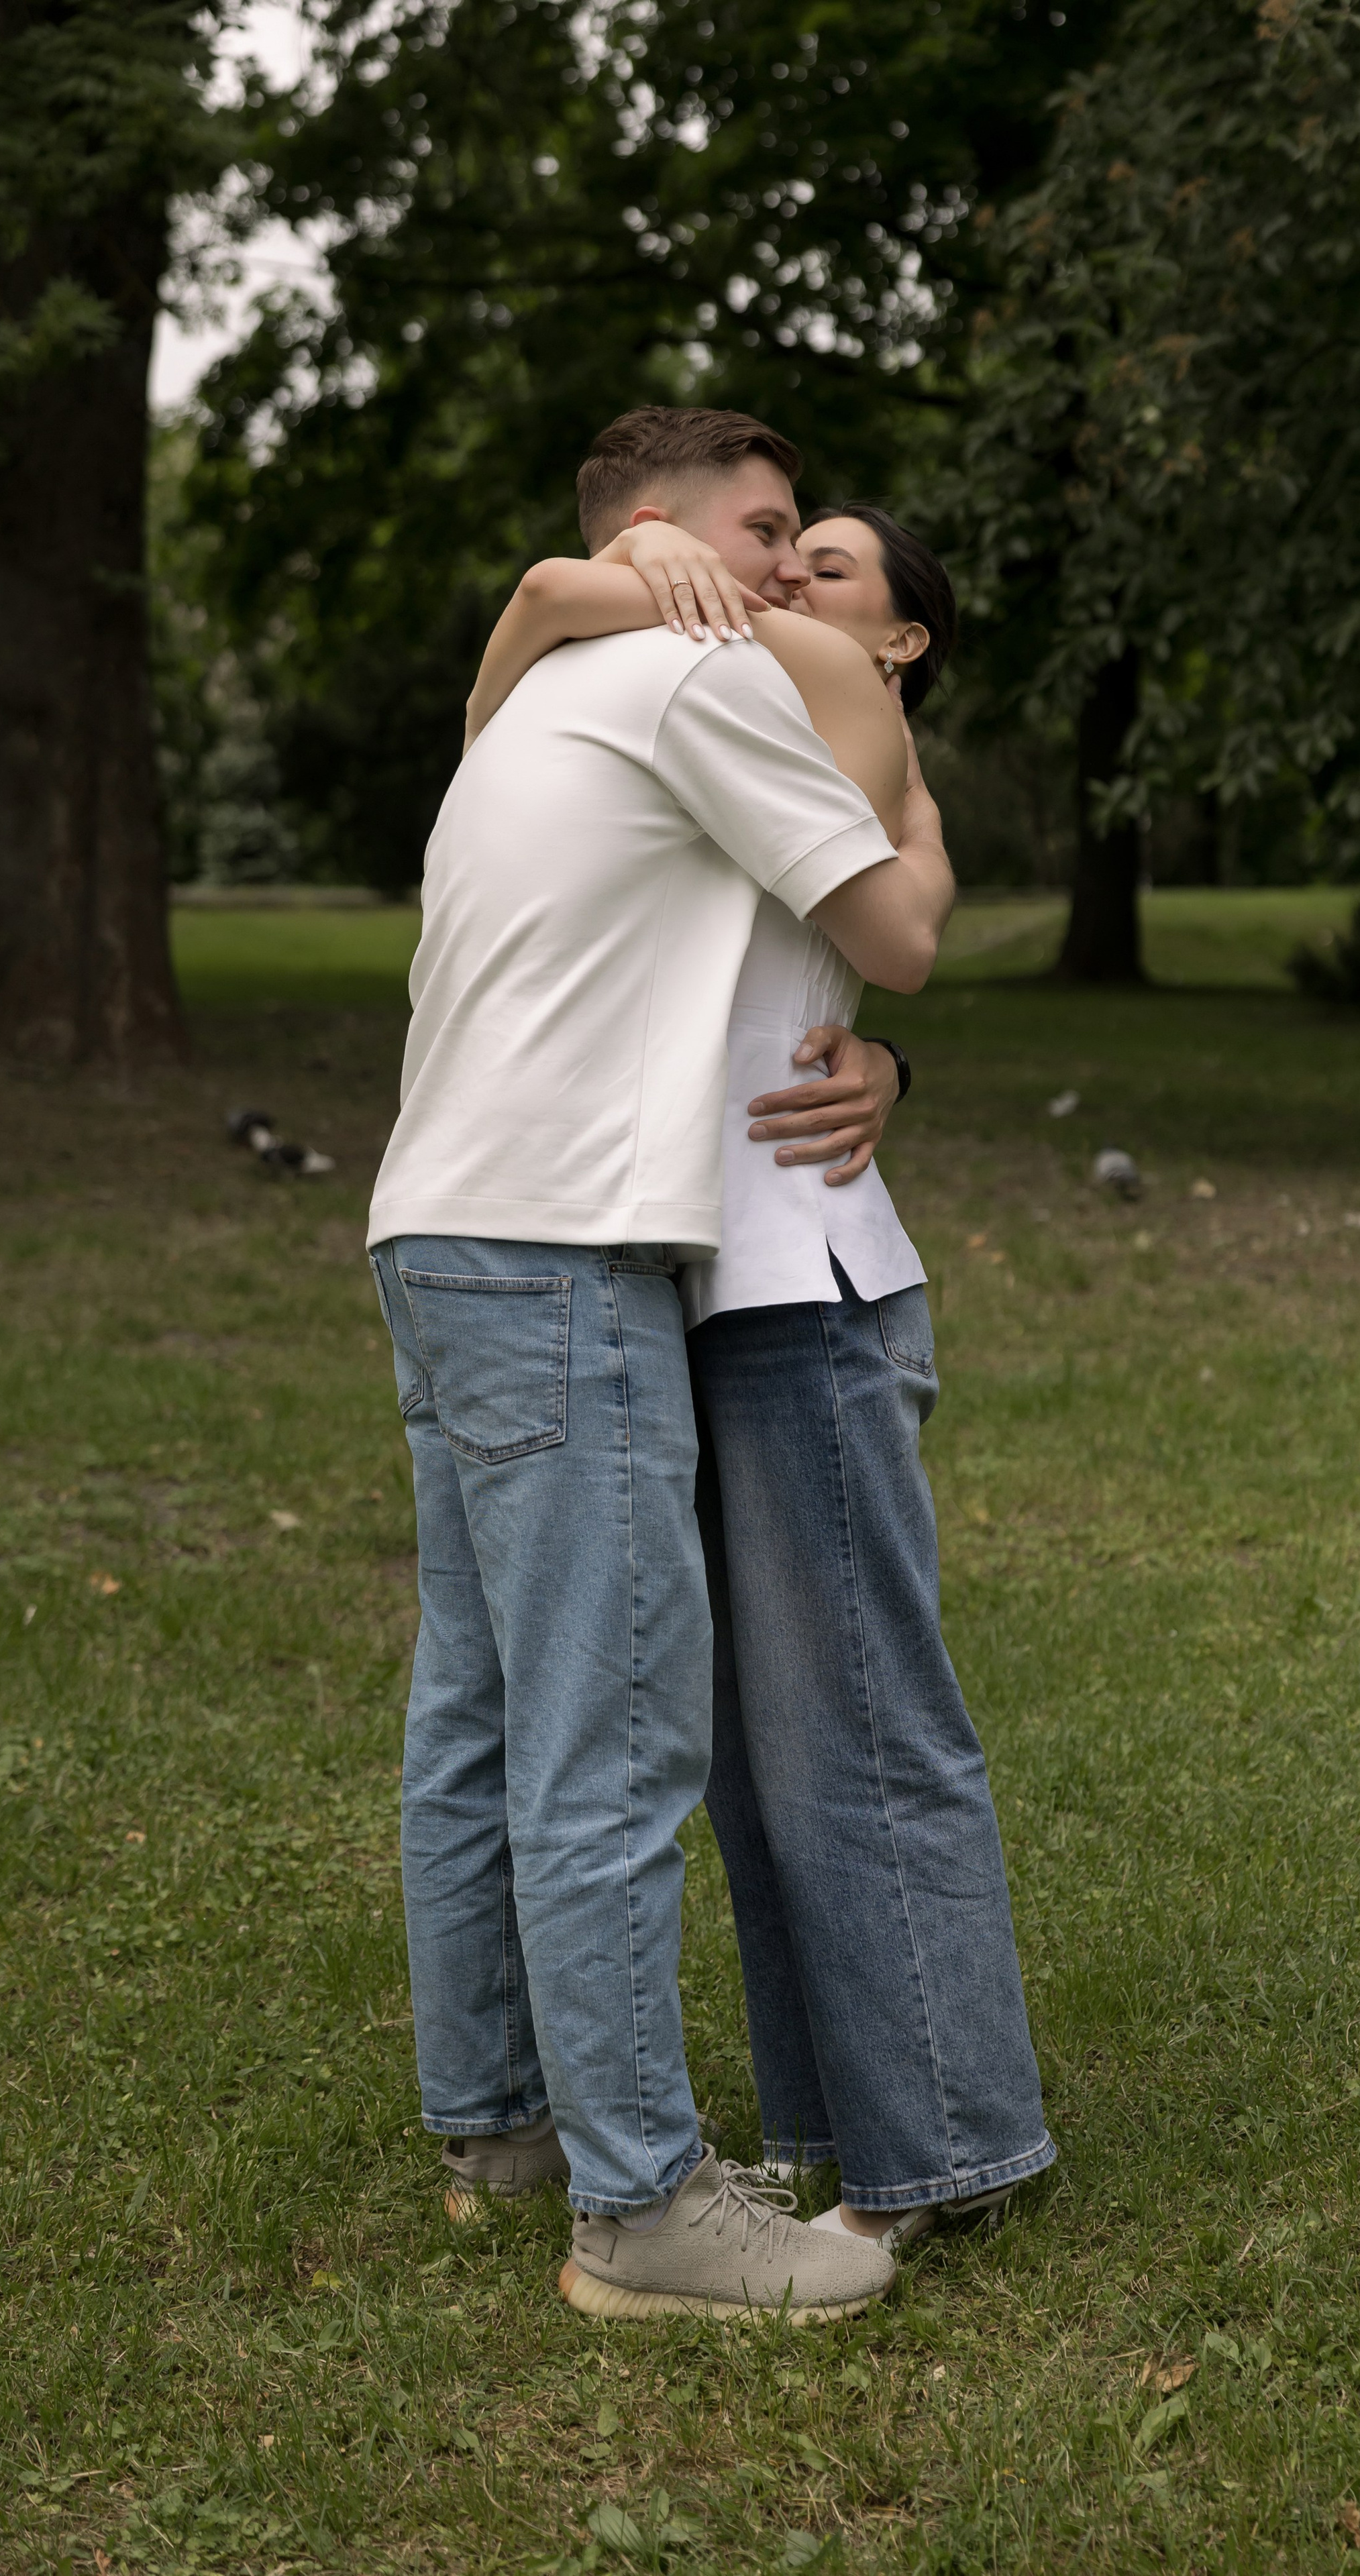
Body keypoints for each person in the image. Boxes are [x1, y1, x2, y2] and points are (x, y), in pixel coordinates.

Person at [368, 405, 954, 2322]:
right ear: (664, 539)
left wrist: (556, 594)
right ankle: (639, 2215)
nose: (791, 564)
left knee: (473, 1704)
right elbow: (887, 918)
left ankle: (499, 2118)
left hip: (431, 1230)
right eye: (768, 530)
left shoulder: (536, 703)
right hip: (560, 1252)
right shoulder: (692, 681)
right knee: (610, 1736)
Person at [470, 475, 1053, 2256]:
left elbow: (906, 938)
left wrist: (616, 571)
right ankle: (848, 2117)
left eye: (832, 563)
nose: (784, 569)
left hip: (804, 1286)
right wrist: (606, 575)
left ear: (901, 636)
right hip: (700, 1283)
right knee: (754, 1751)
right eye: (777, 544)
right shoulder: (761, 723)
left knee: (859, 1727)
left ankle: (945, 2147)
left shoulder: (825, 701)